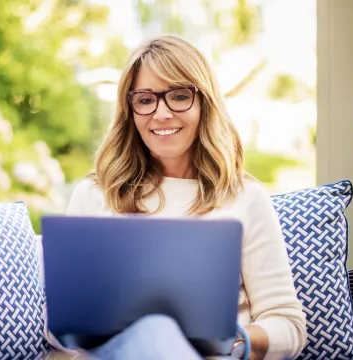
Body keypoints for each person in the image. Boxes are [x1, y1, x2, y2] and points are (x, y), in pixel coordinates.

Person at [47, 34, 307, 360]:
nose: (162, 113)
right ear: (130, 110)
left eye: (179, 96)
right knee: (153, 334)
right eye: (145, 100)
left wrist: (233, 341)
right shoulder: (95, 195)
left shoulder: (246, 198)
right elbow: (59, 326)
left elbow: (288, 325)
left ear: (204, 103)